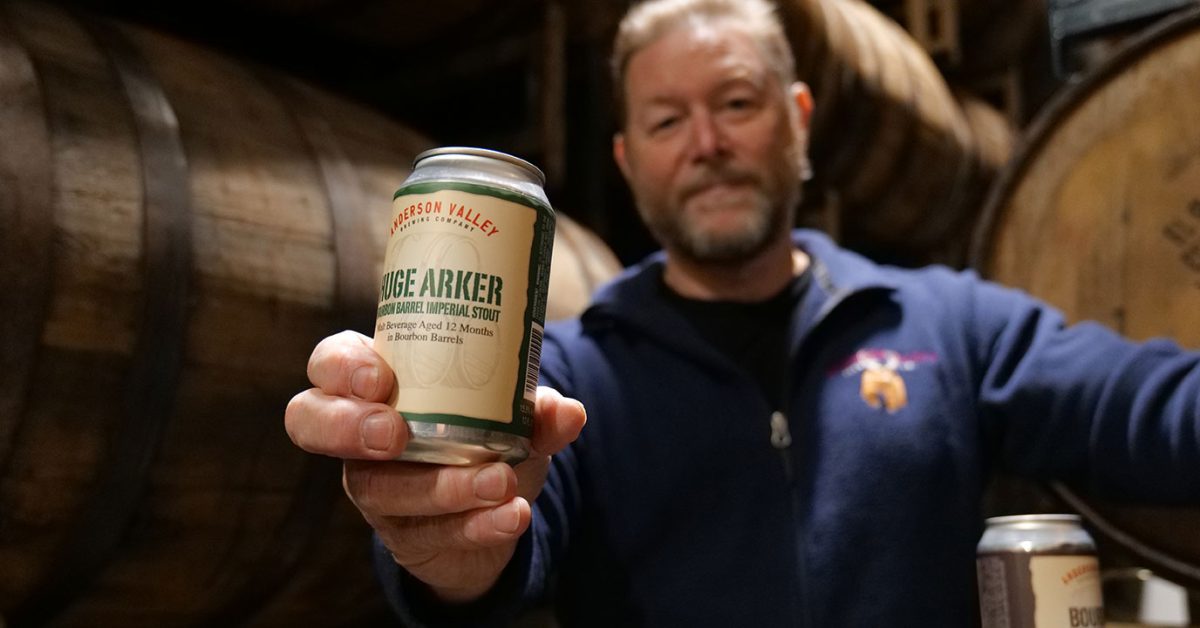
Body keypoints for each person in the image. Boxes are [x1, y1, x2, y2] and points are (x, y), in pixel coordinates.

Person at [284, 0, 1200, 625]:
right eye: (667, 122)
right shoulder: (570, 371)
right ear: (629, 158)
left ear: (800, 121)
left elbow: (1152, 409)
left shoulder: (942, 322)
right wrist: (443, 546)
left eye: (736, 102)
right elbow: (492, 557)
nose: (709, 143)